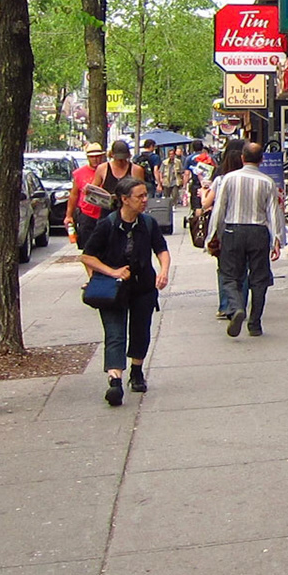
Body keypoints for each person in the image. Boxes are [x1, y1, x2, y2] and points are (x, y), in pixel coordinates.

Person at [79, 176, 171, 407]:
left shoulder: (148, 223)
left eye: (145, 195)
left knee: (141, 330)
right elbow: (87, 257)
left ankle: (137, 371)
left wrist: (164, 271)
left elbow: (162, 250)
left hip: (143, 287)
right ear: (124, 200)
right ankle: (115, 381)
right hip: (113, 291)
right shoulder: (107, 224)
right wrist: (112, 272)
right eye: (139, 196)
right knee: (115, 334)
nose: (144, 200)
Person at [207, 140, 284, 337]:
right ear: (261, 160)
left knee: (230, 275)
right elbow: (274, 213)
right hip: (258, 232)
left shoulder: (229, 179)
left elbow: (219, 208)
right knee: (259, 279)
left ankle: (236, 307)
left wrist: (213, 234)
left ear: (243, 158)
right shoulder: (267, 182)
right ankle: (255, 323)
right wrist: (277, 240)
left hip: (234, 231)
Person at [203, 139, 246, 319]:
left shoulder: (220, 179)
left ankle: (225, 305)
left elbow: (207, 204)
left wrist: (204, 192)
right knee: (243, 270)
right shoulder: (252, 179)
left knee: (225, 269)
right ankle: (241, 305)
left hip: (225, 229)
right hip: (248, 227)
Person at [67, 142, 110, 243]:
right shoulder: (79, 173)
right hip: (87, 214)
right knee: (87, 245)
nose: (95, 159)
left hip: (105, 214)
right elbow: (74, 195)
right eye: (92, 157)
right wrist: (69, 215)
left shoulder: (109, 170)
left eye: (98, 157)